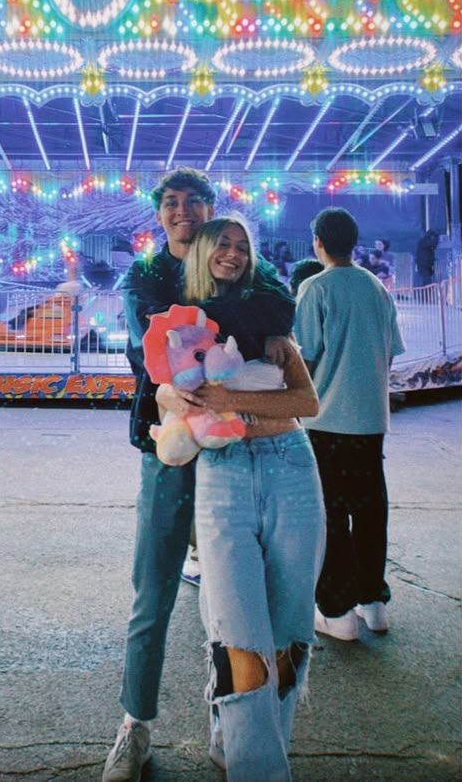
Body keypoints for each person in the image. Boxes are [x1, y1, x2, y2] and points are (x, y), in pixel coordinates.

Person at [102, 169, 296, 782]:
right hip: (172, 446)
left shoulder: (243, 264)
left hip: (242, 448)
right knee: (154, 585)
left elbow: (282, 305)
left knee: (235, 595)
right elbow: (153, 349)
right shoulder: (146, 275)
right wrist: (237, 330)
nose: (182, 211)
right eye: (171, 203)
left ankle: (230, 720)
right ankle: (134, 725)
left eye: (194, 202)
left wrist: (202, 327)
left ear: (212, 209)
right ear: (160, 213)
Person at [164, 215, 323, 781]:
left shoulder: (272, 324)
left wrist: (230, 400)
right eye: (222, 245)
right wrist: (177, 401)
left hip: (291, 472)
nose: (233, 254)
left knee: (288, 634)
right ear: (202, 252)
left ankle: (243, 744)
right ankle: (261, 770)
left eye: (242, 247)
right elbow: (172, 406)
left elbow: (307, 402)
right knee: (240, 636)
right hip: (224, 476)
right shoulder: (180, 326)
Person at [295, 207, 405, 641]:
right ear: (354, 242)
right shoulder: (377, 288)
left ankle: (337, 611)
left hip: (327, 419)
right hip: (371, 418)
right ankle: (373, 601)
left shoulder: (315, 288)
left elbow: (304, 358)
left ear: (317, 242)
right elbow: (390, 351)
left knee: (332, 514)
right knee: (371, 508)